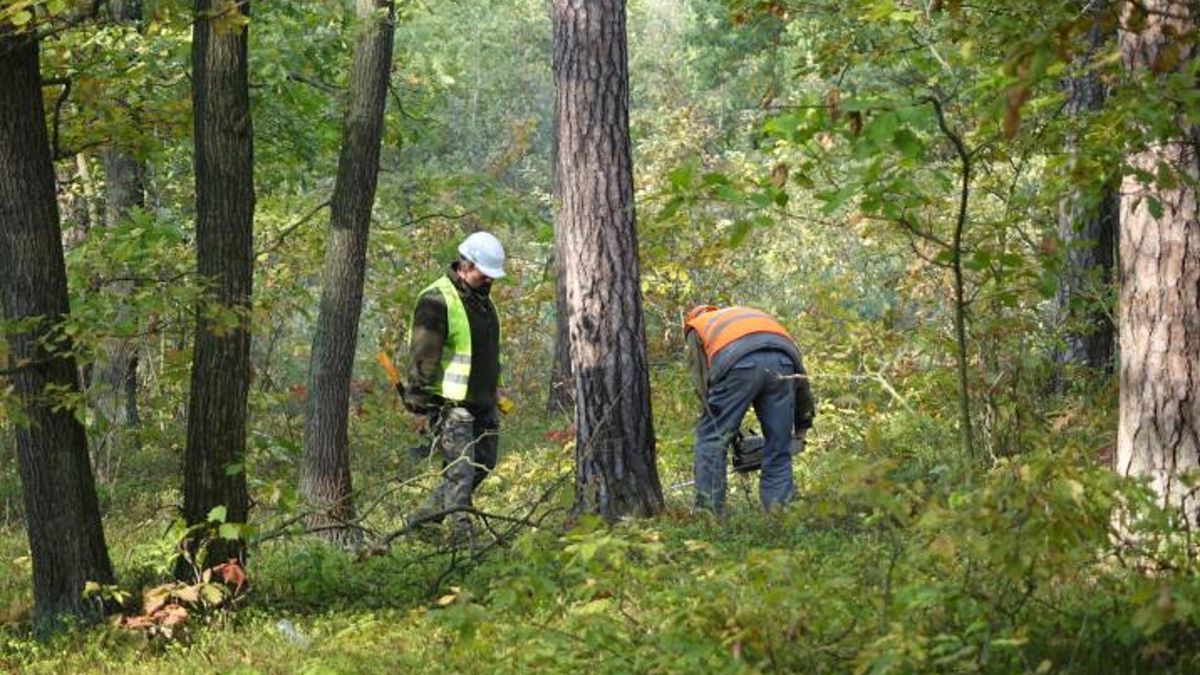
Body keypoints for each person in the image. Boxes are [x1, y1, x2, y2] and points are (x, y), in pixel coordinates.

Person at [403, 231, 506, 533]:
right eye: (484, 275)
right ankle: (463, 538)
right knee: (460, 472)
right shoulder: (436, 300)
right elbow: (423, 357)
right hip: (451, 407)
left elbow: (485, 350)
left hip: (483, 402)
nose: (490, 281)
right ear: (466, 265)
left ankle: (420, 524)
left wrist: (496, 386)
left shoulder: (483, 302)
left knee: (483, 463)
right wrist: (417, 407)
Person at [684, 304, 815, 514]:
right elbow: (802, 378)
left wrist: (715, 418)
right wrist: (803, 424)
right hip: (784, 361)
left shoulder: (696, 327)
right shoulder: (749, 316)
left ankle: (708, 516)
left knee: (712, 440)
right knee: (779, 447)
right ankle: (780, 514)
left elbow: (702, 381)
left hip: (737, 363)